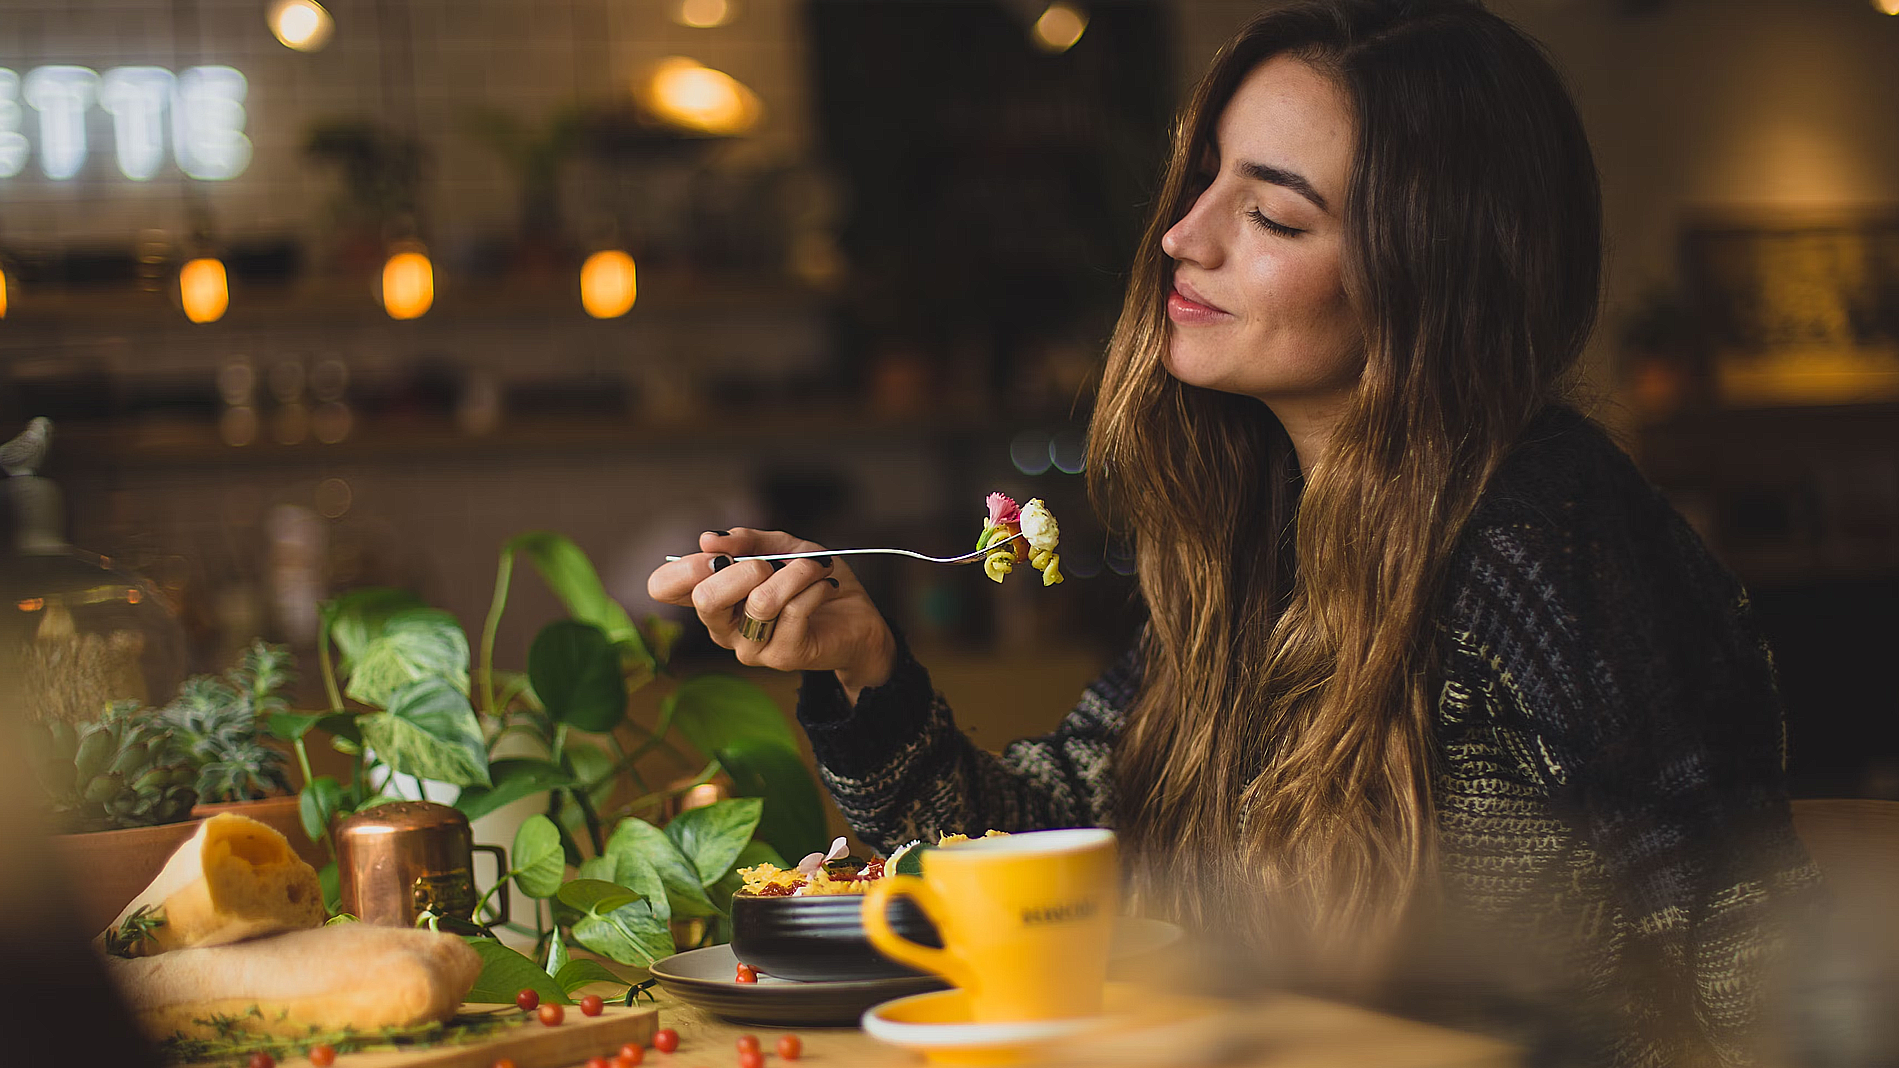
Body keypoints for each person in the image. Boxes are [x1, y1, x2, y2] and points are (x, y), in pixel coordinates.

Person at [649, 1, 1818, 1062]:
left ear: (1432, 275)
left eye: (1269, 213)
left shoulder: (1544, 537)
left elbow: (1735, 950)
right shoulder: (1262, 549)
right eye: (1201, 180)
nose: (1182, 236)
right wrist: (867, 669)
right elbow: (1042, 859)